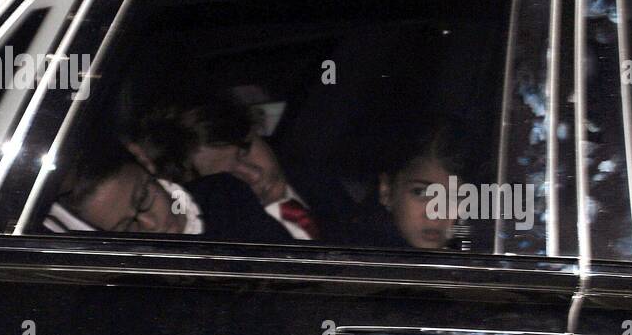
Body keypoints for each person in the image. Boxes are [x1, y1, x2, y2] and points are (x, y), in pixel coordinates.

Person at [127, 89, 354, 245]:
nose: (253, 174)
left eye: (244, 151)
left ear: (256, 130)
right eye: (229, 177)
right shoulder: (230, 239)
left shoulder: (324, 178)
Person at [42, 137, 278, 241]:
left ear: (144, 161)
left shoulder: (225, 195)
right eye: (126, 226)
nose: (151, 225)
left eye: (143, 199)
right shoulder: (129, 290)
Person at [351, 114, 467, 250]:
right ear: (386, 190)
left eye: (454, 198)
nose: (436, 213)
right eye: (421, 192)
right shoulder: (356, 257)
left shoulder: (474, 259)